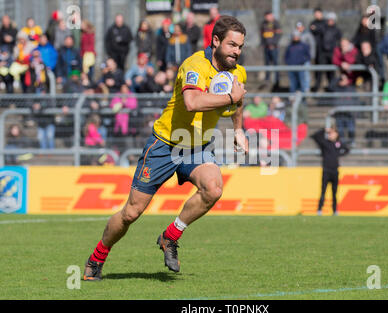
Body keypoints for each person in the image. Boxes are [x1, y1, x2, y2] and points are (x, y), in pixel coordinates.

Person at [83, 15, 248, 280]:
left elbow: (238, 103)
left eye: (240, 46)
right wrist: (230, 97)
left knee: (213, 189)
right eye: (232, 45)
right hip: (165, 143)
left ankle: (169, 237)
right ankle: (97, 257)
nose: (236, 52)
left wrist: (238, 130)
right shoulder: (194, 65)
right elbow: (193, 101)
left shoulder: (237, 72)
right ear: (215, 41)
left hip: (196, 147)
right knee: (131, 213)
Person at [311, 127, 349, 216]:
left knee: (334, 192)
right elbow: (314, 136)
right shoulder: (325, 143)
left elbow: (347, 149)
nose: (330, 135)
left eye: (332, 133)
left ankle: (335, 210)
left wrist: (339, 154)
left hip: (335, 171)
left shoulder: (338, 144)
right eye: (330, 133)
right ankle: (319, 209)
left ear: (336, 134)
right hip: (326, 170)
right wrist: (324, 129)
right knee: (323, 191)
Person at [260, 11, 282, 86]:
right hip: (266, 47)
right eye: (266, 16)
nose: (268, 18)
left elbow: (278, 35)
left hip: (274, 48)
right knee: (267, 64)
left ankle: (277, 80)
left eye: (269, 16)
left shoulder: (276, 23)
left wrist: (273, 44)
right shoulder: (263, 23)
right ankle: (267, 79)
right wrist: (263, 44)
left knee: (276, 63)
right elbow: (262, 35)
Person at [309, 8, 327, 92]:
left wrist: (316, 29)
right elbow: (311, 31)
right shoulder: (313, 23)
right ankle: (317, 85)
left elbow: (324, 31)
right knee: (316, 68)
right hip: (316, 49)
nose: (317, 15)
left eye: (318, 13)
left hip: (325, 50)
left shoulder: (325, 22)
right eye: (315, 13)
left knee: (326, 68)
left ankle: (328, 86)